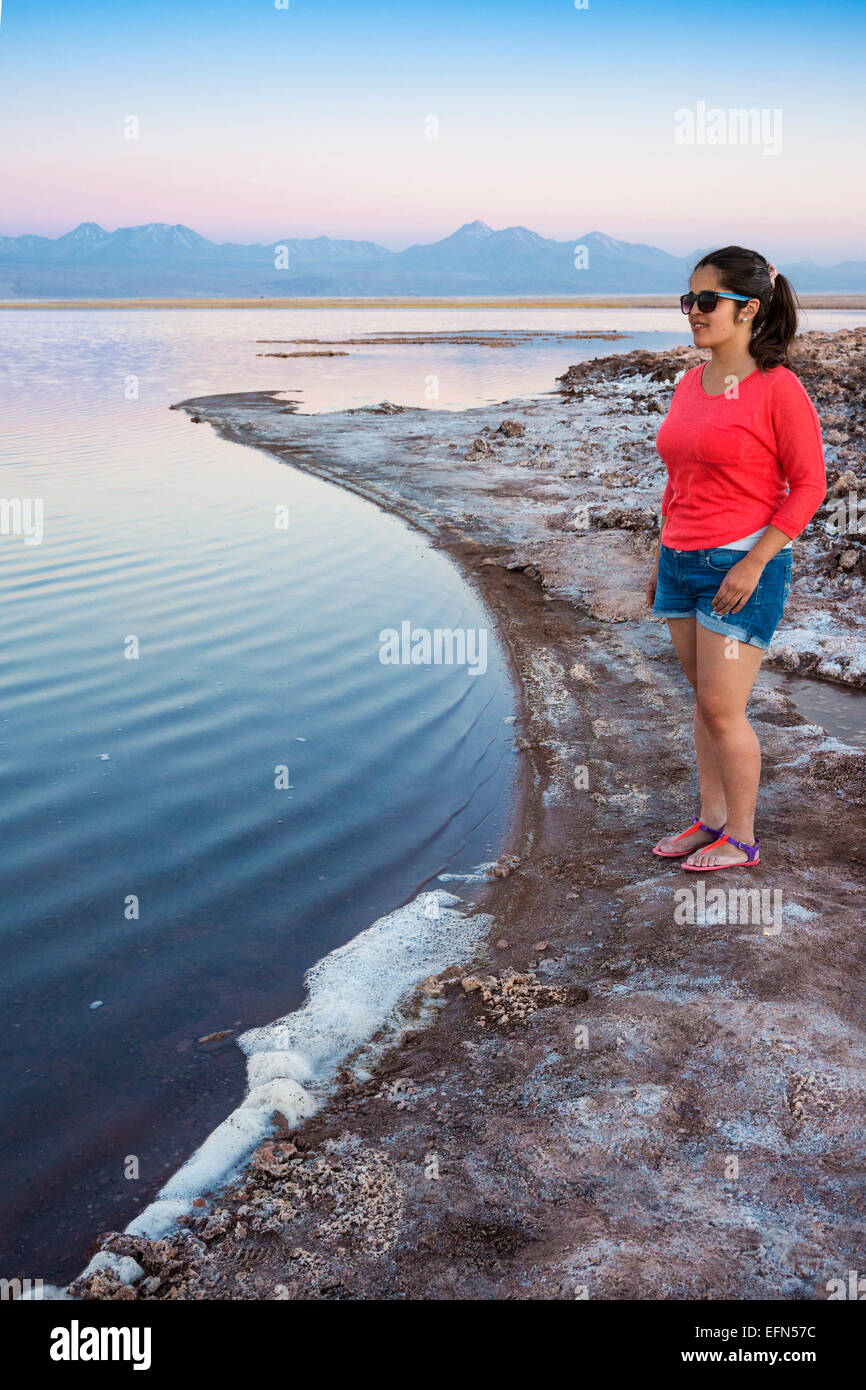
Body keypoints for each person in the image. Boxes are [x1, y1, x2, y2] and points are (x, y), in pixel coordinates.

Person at [648, 246, 826, 870]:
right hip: (679, 561)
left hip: (741, 566)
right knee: (705, 705)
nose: (692, 312)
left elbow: (809, 487)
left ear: (748, 309)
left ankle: (743, 838)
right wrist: (660, 555)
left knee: (725, 710)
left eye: (706, 301)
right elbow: (679, 481)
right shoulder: (688, 383)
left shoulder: (778, 389)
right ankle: (712, 819)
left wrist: (754, 562)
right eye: (686, 300)